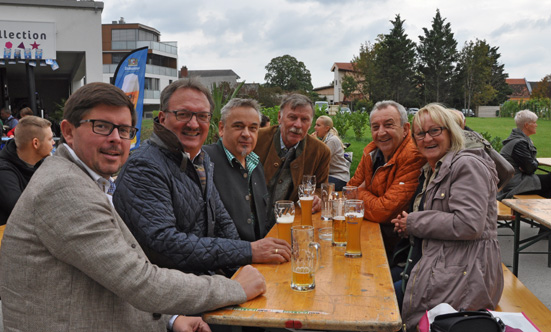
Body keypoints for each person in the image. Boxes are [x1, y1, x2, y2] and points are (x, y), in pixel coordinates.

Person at [0, 82, 266, 331]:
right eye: (102, 126)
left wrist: (172, 319)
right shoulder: (63, 188)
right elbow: (141, 280)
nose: (116, 139)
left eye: (124, 130)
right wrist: (235, 288)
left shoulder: (86, 179)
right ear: (68, 131)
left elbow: (117, 273)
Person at [114, 79, 290, 276]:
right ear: (162, 118)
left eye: (202, 116)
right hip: (174, 292)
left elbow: (223, 222)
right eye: (183, 114)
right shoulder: (145, 166)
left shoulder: (200, 159)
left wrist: (244, 268)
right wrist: (248, 252)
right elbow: (165, 243)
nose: (193, 123)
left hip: (204, 278)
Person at [392, 103, 503, 331]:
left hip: (466, 273)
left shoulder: (466, 164)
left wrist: (413, 222)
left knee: (380, 302)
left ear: (451, 132)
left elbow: (468, 224)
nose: (427, 138)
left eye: (435, 131)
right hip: (444, 262)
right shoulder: (436, 166)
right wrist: (411, 227)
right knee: (378, 285)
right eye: (420, 133)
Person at [347, 100, 425, 258]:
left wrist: (359, 192)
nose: (381, 133)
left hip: (398, 250)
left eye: (388, 125)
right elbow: (349, 189)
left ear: (405, 129)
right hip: (372, 235)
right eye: (375, 127)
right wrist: (358, 192)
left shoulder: (413, 155)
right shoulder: (371, 151)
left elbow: (384, 212)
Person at [203, 98, 272, 242]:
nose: (246, 134)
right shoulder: (205, 161)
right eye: (239, 126)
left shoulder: (256, 164)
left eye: (253, 128)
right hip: (225, 260)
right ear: (221, 129)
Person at [254, 94, 330, 221]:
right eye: (292, 117)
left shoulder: (321, 152)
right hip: (253, 222)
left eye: (304, 119)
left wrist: (317, 198)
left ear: (311, 123)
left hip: (290, 222)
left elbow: (321, 188)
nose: (298, 125)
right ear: (279, 117)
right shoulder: (256, 139)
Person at [0, 116, 54, 225]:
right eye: (50, 139)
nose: (53, 143)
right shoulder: (3, 172)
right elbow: (21, 211)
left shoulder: (43, 165)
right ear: (35, 143)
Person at [498, 109, 551, 199]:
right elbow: (530, 168)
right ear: (527, 125)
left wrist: (531, 163)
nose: (536, 125)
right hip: (516, 184)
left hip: (514, 181)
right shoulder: (519, 143)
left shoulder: (517, 140)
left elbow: (528, 167)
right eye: (534, 123)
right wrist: (534, 163)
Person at [312, 115, 350, 191]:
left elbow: (320, 159)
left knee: (311, 183)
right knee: (309, 180)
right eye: (315, 125)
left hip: (339, 178)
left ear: (327, 128)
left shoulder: (332, 140)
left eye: (318, 125)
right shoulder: (326, 139)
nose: (315, 127)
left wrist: (315, 142)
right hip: (331, 176)